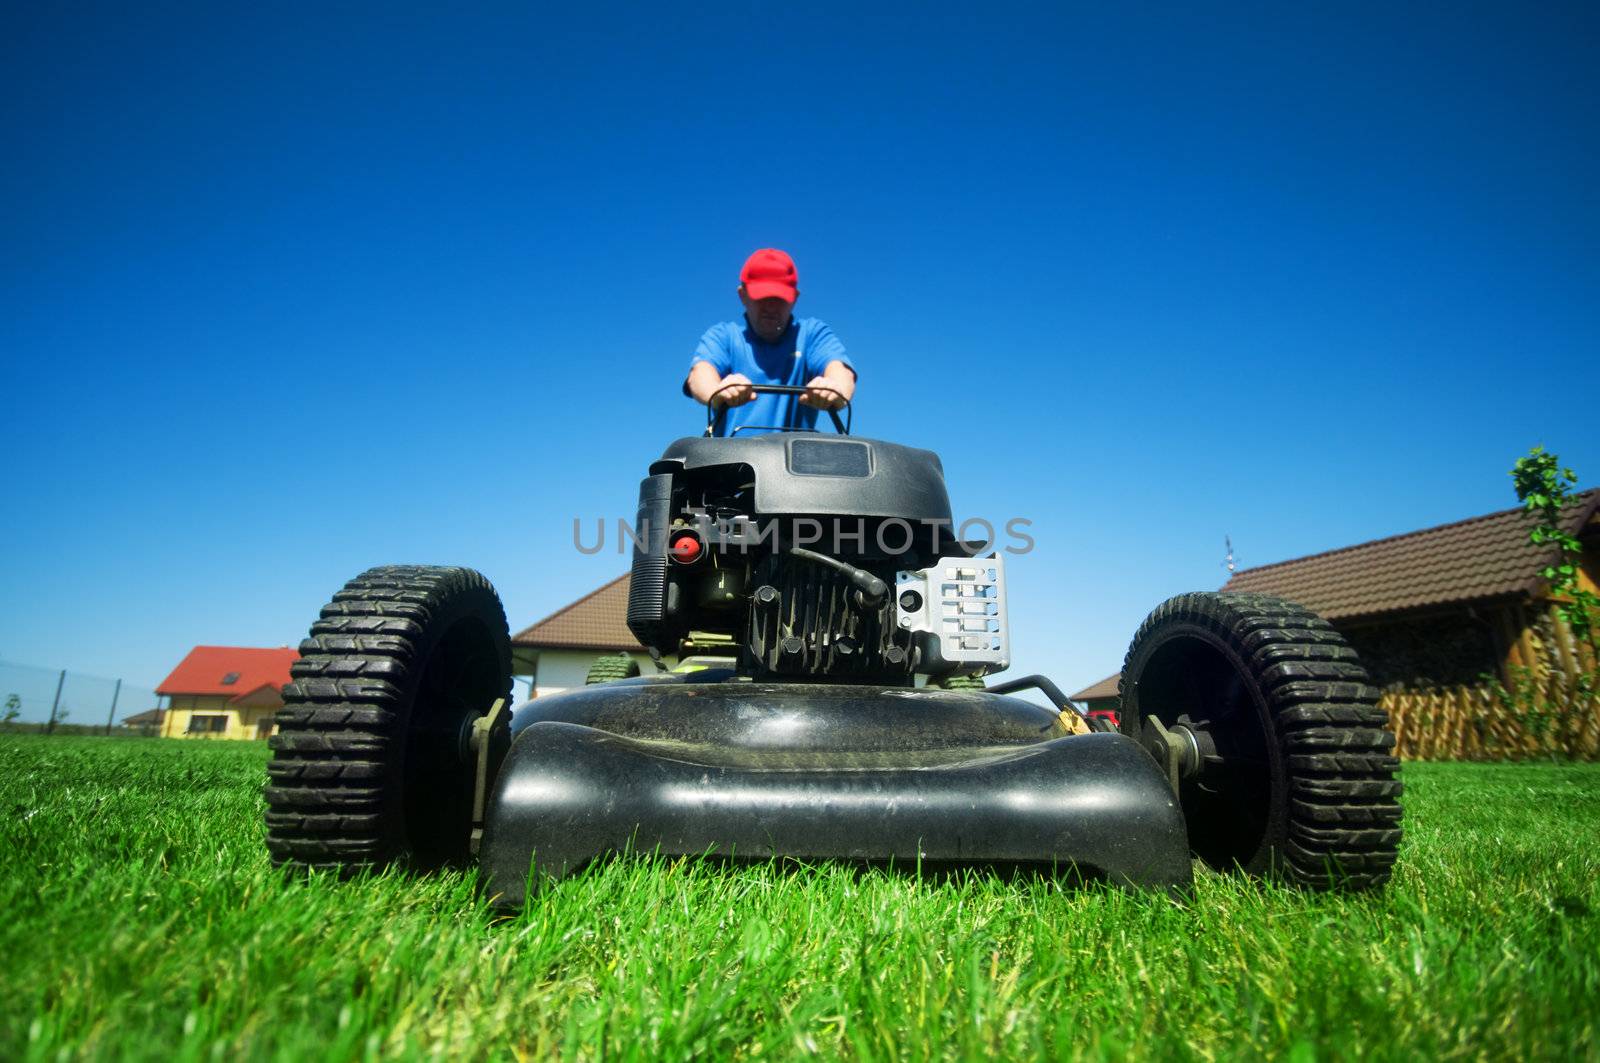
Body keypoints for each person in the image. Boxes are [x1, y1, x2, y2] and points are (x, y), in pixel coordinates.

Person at [684, 249, 857, 436]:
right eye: (763, 298)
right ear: (743, 295)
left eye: (779, 299)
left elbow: (841, 374)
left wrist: (833, 390)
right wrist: (717, 392)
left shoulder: (812, 335)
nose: (771, 307)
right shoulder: (723, 336)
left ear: (795, 299)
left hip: (793, 462)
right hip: (728, 462)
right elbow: (699, 375)